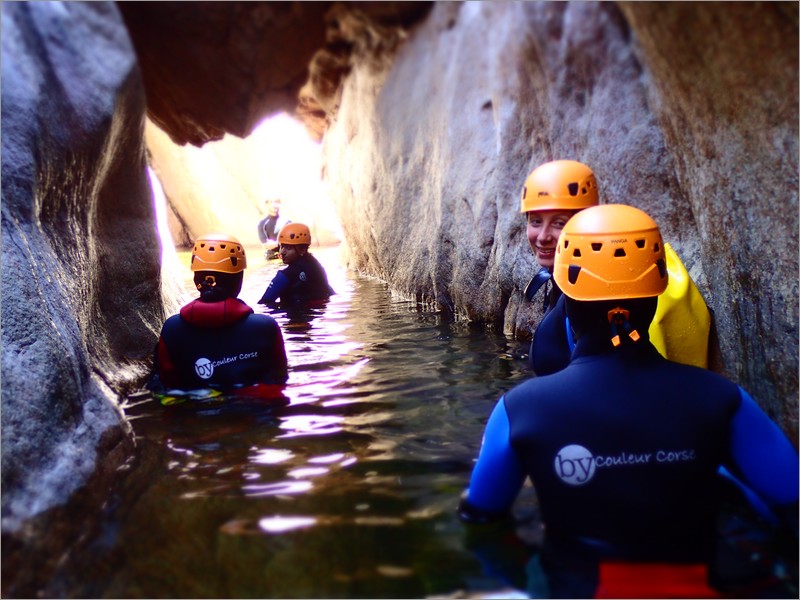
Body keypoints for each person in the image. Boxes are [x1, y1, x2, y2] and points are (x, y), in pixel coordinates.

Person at [459, 205, 798, 593]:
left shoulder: (518, 410)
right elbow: (789, 495)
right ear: (655, 297)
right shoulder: (722, 399)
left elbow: (482, 519)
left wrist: (530, 579)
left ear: (566, 301)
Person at [522, 160, 712, 375]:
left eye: (559, 223)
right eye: (535, 222)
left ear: (587, 220)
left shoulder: (625, 289)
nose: (543, 237)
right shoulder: (560, 286)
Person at [151, 233, 288, 396]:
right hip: (252, 413)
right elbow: (279, 380)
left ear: (197, 280)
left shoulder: (172, 329)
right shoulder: (266, 327)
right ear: (238, 280)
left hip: (194, 413)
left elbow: (166, 384)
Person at [258, 222, 334, 308]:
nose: (282, 252)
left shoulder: (287, 274)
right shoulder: (316, 266)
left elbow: (264, 303)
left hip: (294, 318)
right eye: (281, 246)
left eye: (288, 248)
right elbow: (328, 291)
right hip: (316, 317)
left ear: (302, 250)